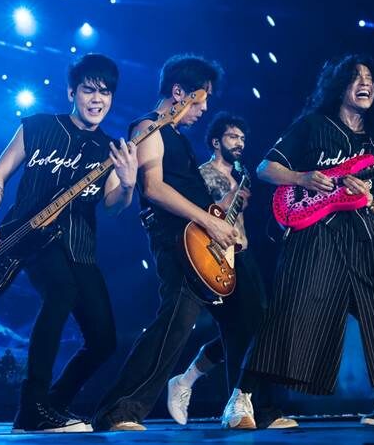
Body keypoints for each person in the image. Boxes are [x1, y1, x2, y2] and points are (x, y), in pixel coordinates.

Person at [220, 54, 374, 429]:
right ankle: (240, 399)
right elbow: (266, 168)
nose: (366, 84)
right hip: (316, 236)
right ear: (339, 85)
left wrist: (368, 198)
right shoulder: (313, 125)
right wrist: (302, 178)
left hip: (365, 236)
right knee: (287, 315)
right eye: (356, 77)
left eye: (371, 79)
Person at [90, 54, 257, 432]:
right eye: (201, 99)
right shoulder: (148, 127)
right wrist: (208, 222)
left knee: (249, 316)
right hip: (176, 240)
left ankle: (243, 403)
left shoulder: (178, 137)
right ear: (179, 92)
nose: (205, 109)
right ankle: (117, 411)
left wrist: (222, 219)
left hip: (203, 242)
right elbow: (153, 188)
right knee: (174, 324)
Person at [0, 54, 137, 433]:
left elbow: (114, 206)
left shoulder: (111, 149)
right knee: (61, 291)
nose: (97, 99)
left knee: (104, 341)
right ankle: (32, 407)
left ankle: (52, 406)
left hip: (80, 247)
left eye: (105, 93)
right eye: (89, 90)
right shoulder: (38, 127)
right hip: (30, 237)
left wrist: (128, 184)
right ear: (71, 92)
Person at [165, 112, 295, 429]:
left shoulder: (240, 177)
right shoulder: (202, 174)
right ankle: (250, 409)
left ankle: (188, 380)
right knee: (242, 329)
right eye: (233, 137)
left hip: (244, 256)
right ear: (215, 141)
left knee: (255, 328)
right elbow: (196, 217)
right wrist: (225, 201)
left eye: (242, 138)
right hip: (215, 260)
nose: (240, 143)